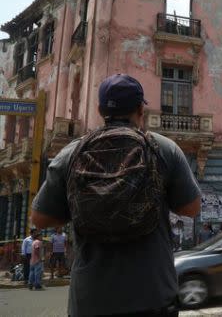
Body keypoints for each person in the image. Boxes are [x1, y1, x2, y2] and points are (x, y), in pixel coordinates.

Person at [31, 74, 201, 316]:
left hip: (91, 300)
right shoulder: (164, 149)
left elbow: (40, 218)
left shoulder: (71, 153)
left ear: (100, 110)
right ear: (141, 109)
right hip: (152, 295)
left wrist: (85, 206)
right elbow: (191, 208)